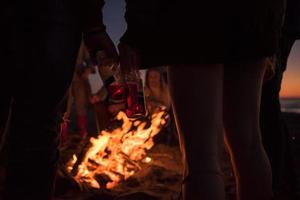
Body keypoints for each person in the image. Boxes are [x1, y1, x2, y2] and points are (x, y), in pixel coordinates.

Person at [118, 1, 285, 199]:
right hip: (254, 17)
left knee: (201, 159)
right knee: (249, 145)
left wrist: (135, 31)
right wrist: (271, 36)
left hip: (193, 19)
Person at [0, 0, 117, 199]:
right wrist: (94, 26)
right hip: (54, 14)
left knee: (39, 125)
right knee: (38, 126)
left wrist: (93, 26)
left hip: (54, 14)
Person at [260, 0, 300, 197]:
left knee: (265, 104)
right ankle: (281, 181)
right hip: (272, 19)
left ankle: (279, 182)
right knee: (264, 105)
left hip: (275, 20)